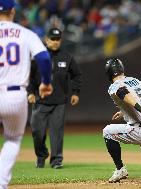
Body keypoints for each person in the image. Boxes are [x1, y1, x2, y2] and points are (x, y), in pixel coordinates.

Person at [0, 0, 53, 188]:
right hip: (15, 95)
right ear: (13, 11)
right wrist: (46, 83)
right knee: (13, 140)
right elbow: (44, 58)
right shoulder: (25, 33)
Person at [27, 27, 82, 169]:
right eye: (53, 39)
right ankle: (41, 155)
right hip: (40, 101)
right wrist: (30, 92)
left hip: (59, 102)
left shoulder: (66, 57)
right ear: (46, 39)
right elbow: (30, 77)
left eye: (58, 39)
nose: (55, 42)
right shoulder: (38, 56)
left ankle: (56, 160)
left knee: (56, 133)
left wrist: (75, 92)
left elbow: (76, 75)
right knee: (37, 131)